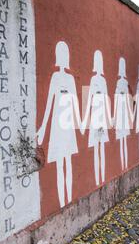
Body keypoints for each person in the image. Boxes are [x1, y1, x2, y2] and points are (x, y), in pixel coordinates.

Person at [36, 41, 83, 208]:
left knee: (68, 162)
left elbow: (75, 102)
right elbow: (50, 102)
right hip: (57, 125)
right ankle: (62, 204)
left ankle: (68, 199)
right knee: (59, 165)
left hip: (68, 124)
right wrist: (43, 127)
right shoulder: (55, 77)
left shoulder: (70, 79)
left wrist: (80, 122)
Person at [82, 50, 112, 186]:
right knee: (97, 148)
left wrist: (109, 117)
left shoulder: (101, 80)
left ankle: (102, 178)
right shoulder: (94, 79)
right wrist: (84, 121)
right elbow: (88, 100)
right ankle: (98, 180)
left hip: (100, 119)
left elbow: (106, 100)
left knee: (101, 148)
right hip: (95, 118)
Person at [113, 58, 133, 171]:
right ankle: (123, 167)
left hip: (123, 116)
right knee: (122, 141)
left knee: (123, 141)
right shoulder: (121, 83)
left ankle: (124, 167)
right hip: (122, 116)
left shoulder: (124, 84)